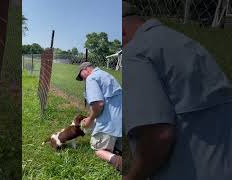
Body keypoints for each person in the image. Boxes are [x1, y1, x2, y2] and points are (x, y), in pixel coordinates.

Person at [122, 1, 232, 180]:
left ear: (122, 31)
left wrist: (134, 177)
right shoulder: (188, 44)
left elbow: (158, 135)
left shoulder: (135, 53)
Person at [76, 62, 123, 172]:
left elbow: (98, 105)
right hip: (122, 121)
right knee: (117, 147)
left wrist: (90, 120)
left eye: (81, 76)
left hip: (110, 123)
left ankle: (121, 163)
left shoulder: (91, 78)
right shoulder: (105, 75)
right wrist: (91, 116)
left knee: (97, 149)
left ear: (86, 69)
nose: (83, 79)